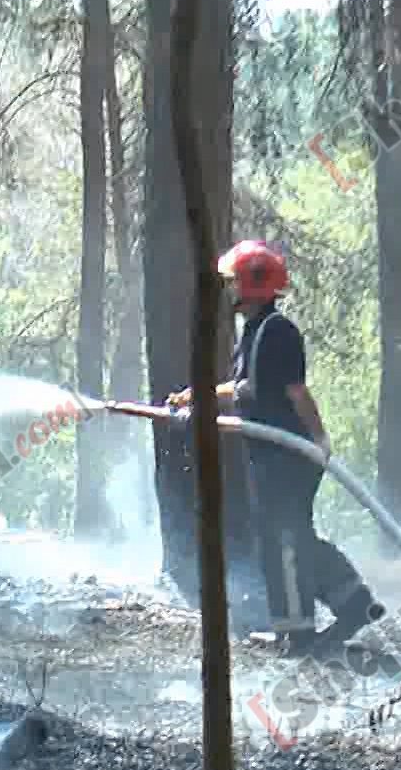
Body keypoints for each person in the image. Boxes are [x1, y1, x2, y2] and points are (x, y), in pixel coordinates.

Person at [163, 239, 383, 654]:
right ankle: (347, 606)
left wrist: (318, 441)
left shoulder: (278, 331)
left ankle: (304, 630)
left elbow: (294, 392)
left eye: (234, 281)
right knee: (286, 538)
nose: (230, 289)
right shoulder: (255, 332)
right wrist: (198, 395)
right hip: (272, 457)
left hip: (290, 457)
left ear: (252, 285)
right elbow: (245, 385)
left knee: (285, 542)